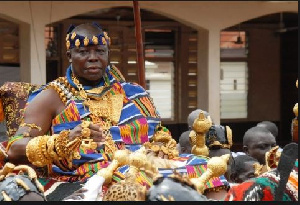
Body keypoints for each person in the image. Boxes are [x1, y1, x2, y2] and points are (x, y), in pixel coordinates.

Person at [6, 22, 161, 183]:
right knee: (144, 181)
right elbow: (15, 148)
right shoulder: (53, 96)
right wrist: (64, 141)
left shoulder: (132, 92)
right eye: (83, 52)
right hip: (91, 177)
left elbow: (158, 134)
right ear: (69, 56)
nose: (93, 58)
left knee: (185, 172)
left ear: (108, 54)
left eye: (100, 51)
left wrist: (161, 146)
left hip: (144, 163)